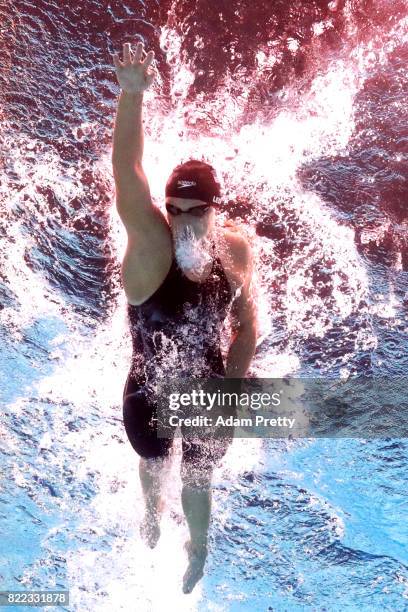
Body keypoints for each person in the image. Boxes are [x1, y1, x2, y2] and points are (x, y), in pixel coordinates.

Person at [112, 41, 258, 594]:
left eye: (196, 213)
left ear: (217, 210)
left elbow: (247, 323)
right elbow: (128, 175)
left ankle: (197, 548)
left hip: (208, 387)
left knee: (200, 477)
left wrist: (235, 390)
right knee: (153, 465)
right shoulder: (152, 246)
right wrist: (131, 98)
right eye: (175, 210)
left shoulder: (236, 251)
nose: (184, 223)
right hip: (147, 391)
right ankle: (150, 515)